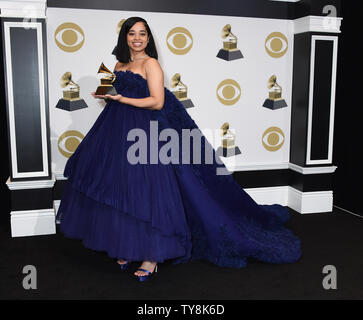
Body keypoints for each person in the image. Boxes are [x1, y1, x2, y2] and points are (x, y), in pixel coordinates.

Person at [56, 16, 301, 282]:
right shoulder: (118, 64)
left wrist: (121, 97)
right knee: (120, 188)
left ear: (148, 39)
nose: (137, 38)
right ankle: (125, 245)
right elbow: (117, 97)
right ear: (124, 37)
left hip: (144, 133)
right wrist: (107, 95)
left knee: (147, 191)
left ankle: (151, 256)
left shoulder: (151, 64)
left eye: (142, 34)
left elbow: (157, 102)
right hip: (115, 131)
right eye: (132, 33)